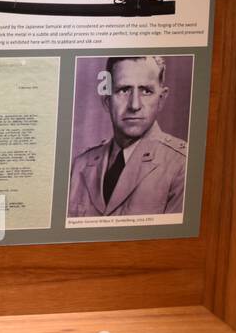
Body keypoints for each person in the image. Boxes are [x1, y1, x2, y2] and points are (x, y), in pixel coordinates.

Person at [67, 56, 188, 218]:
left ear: (161, 99)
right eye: (123, 90)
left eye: (146, 91)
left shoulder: (182, 165)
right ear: (107, 100)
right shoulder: (79, 165)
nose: (134, 105)